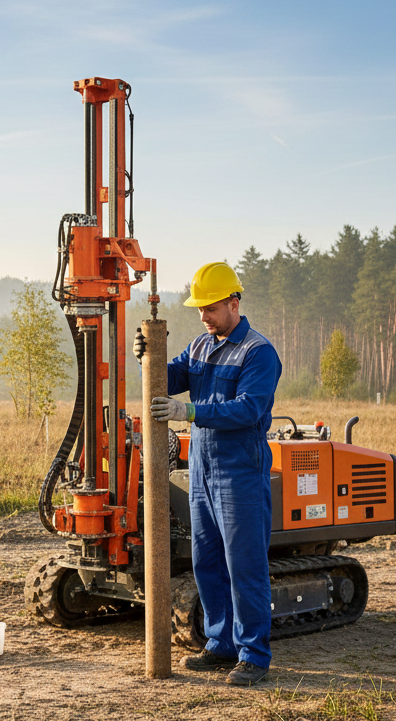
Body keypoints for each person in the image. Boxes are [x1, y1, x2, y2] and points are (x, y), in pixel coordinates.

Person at [135, 261, 282, 686]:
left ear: (234, 302)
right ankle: (221, 644)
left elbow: (249, 408)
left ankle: (254, 655)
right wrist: (148, 355)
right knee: (208, 561)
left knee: (245, 565)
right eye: (199, 309)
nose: (203, 316)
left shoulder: (258, 352)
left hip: (240, 470)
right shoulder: (201, 345)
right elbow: (171, 373)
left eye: (210, 308)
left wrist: (192, 410)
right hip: (201, 467)